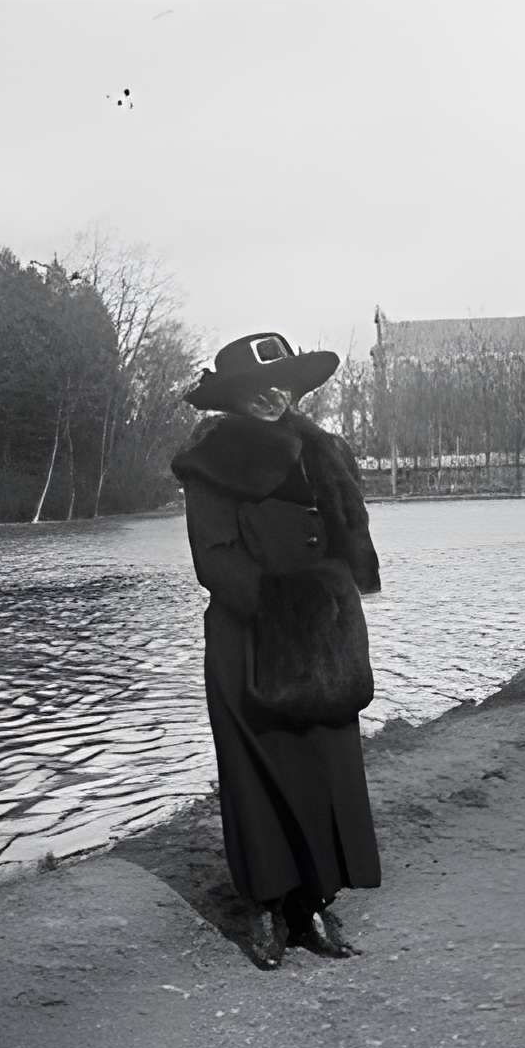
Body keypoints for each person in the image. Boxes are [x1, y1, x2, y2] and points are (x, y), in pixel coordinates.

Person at [170, 332, 384, 970]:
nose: (273, 396)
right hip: (250, 635)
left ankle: (312, 905)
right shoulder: (212, 460)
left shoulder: (325, 451)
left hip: (322, 636)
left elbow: (346, 543)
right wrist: (285, 610)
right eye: (255, 388)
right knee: (257, 775)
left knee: (325, 767)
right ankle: (268, 908)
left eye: (283, 384)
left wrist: (334, 598)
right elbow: (214, 559)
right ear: (233, 398)